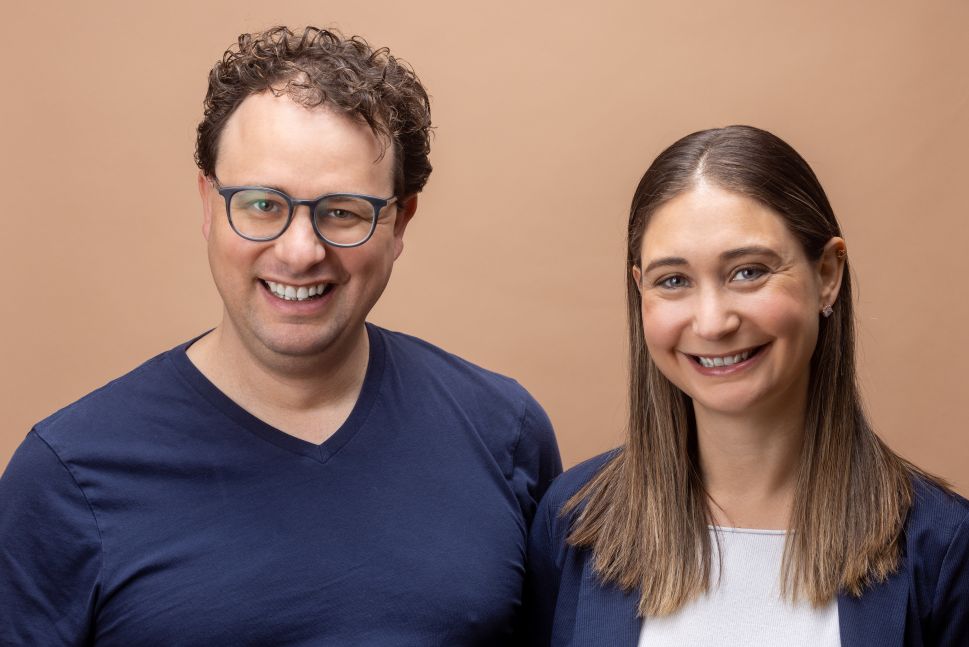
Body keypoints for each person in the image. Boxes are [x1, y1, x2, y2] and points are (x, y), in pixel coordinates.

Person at [0, 26, 561, 644]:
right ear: (209, 205)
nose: (299, 252)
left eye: (342, 211)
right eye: (263, 204)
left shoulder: (503, 432)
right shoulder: (66, 476)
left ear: (400, 222)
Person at [526, 125, 968, 646]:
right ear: (639, 290)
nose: (712, 323)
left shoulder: (943, 547)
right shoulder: (573, 522)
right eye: (674, 281)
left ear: (827, 274)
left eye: (748, 272)